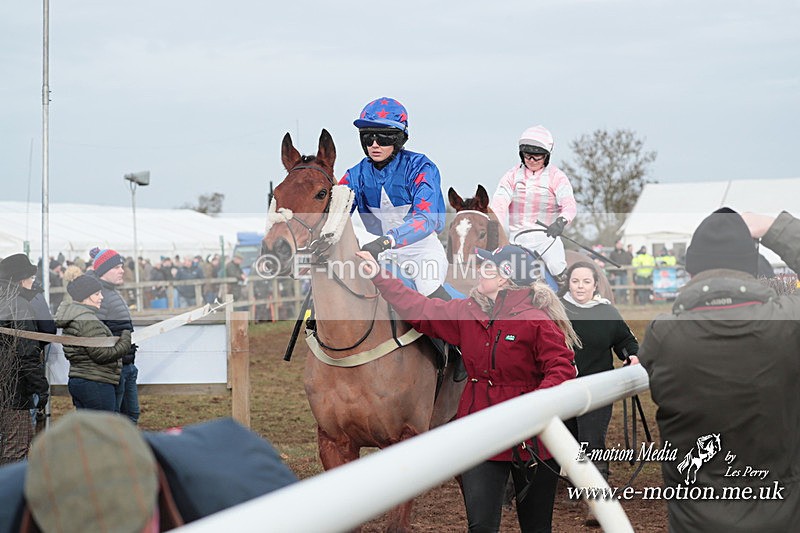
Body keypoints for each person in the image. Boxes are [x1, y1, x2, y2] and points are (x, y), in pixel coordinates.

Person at [356, 244, 578, 532]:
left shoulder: (537, 321)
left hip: (531, 438)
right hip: (479, 433)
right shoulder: (467, 311)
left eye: (488, 267)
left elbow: (562, 368)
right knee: (480, 527)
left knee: (536, 528)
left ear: (504, 277)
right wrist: (379, 275)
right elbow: (420, 309)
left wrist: (534, 406)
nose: (479, 272)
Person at [639, 208, 800, 531]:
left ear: (691, 270)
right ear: (751, 267)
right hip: (784, 516)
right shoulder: (788, 322)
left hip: (696, 521)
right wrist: (775, 228)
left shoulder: (663, 335)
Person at [340, 96, 450, 299]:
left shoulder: (421, 167)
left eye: (383, 138)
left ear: (399, 139)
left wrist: (387, 241)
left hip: (420, 250)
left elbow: (426, 219)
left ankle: (446, 317)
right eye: (367, 138)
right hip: (378, 249)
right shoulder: (355, 175)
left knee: (429, 291)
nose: (374, 145)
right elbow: (335, 214)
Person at [559, 261, 639, 525]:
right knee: (567, 443)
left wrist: (631, 356)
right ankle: (572, 487)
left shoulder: (606, 312)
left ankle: (598, 502)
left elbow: (626, 341)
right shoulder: (556, 310)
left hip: (597, 389)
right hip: (562, 389)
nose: (580, 287)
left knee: (592, 442)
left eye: (586, 282)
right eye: (575, 281)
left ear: (595, 285)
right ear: (568, 283)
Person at [489, 125, 578, 281]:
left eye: (537, 157)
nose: (531, 160)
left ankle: (566, 294)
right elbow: (499, 204)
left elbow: (569, 204)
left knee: (556, 266)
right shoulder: (511, 176)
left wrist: (561, 221)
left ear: (546, 156)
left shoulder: (557, 176)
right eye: (527, 156)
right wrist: (494, 225)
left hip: (546, 238)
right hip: (516, 240)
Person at [55, 275, 132, 412]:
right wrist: (125, 341)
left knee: (88, 425)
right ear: (85, 297)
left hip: (81, 380)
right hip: (96, 382)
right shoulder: (88, 320)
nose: (101, 297)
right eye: (97, 294)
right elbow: (102, 354)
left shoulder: (75, 317)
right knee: (102, 425)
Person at [0, 254, 50, 465]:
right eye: (31, 277)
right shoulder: (18, 305)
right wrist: (41, 387)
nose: (33, 282)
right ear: (20, 279)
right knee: (16, 448)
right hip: (15, 390)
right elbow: (27, 353)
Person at [86, 247, 140, 424]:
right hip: (114, 368)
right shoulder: (98, 296)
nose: (122, 270)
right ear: (104, 271)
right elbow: (97, 334)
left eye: (121, 266)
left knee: (131, 415)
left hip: (126, 363)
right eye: (116, 267)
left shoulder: (111, 292)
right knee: (116, 420)